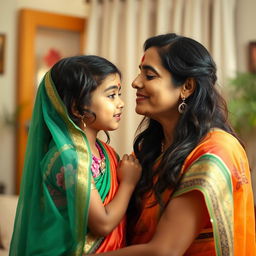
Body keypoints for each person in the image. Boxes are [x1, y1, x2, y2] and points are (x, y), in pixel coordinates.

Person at [90, 33, 256, 256]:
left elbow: (165, 251)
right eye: (140, 72)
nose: (135, 82)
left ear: (187, 87)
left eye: (149, 75)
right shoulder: (149, 150)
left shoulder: (215, 151)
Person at [10, 55, 141, 255]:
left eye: (119, 94)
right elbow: (103, 224)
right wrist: (129, 183)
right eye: (111, 95)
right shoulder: (68, 157)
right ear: (77, 107)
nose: (121, 103)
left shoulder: (105, 151)